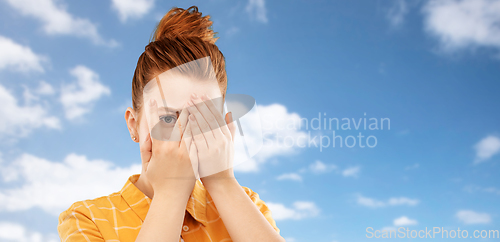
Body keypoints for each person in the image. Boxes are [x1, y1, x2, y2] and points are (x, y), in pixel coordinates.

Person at [57, 5, 285, 242]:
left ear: (226, 127)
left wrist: (222, 182)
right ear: (134, 125)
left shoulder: (248, 206)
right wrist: (169, 193)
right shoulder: (87, 219)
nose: (185, 135)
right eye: (168, 118)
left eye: (203, 118)